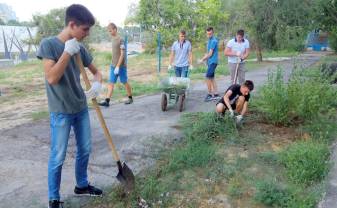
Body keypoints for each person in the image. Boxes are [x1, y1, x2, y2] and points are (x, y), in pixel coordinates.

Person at [37, 4, 103, 208]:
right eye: (84, 29)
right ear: (72, 24)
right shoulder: (49, 45)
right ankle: (54, 197)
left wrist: (98, 85)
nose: (87, 33)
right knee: (58, 156)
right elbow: (52, 78)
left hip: (80, 108)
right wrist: (66, 53)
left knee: (85, 149)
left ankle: (81, 185)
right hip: (61, 111)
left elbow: (96, 72)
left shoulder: (80, 48)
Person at [99, 22, 133, 107]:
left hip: (121, 66)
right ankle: (107, 101)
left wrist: (118, 66)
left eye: (110, 31)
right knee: (111, 82)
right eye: (108, 31)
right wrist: (114, 66)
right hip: (113, 66)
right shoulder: (113, 39)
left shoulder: (121, 40)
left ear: (115, 29)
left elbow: (122, 54)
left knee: (124, 82)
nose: (109, 33)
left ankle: (130, 98)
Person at [198, 27, 220, 102]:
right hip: (210, 62)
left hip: (213, 62)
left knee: (207, 77)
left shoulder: (214, 41)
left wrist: (202, 60)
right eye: (207, 34)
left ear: (213, 33)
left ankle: (210, 94)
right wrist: (203, 59)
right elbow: (207, 53)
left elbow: (210, 54)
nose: (209, 35)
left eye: (210, 33)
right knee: (211, 78)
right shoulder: (209, 41)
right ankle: (216, 94)